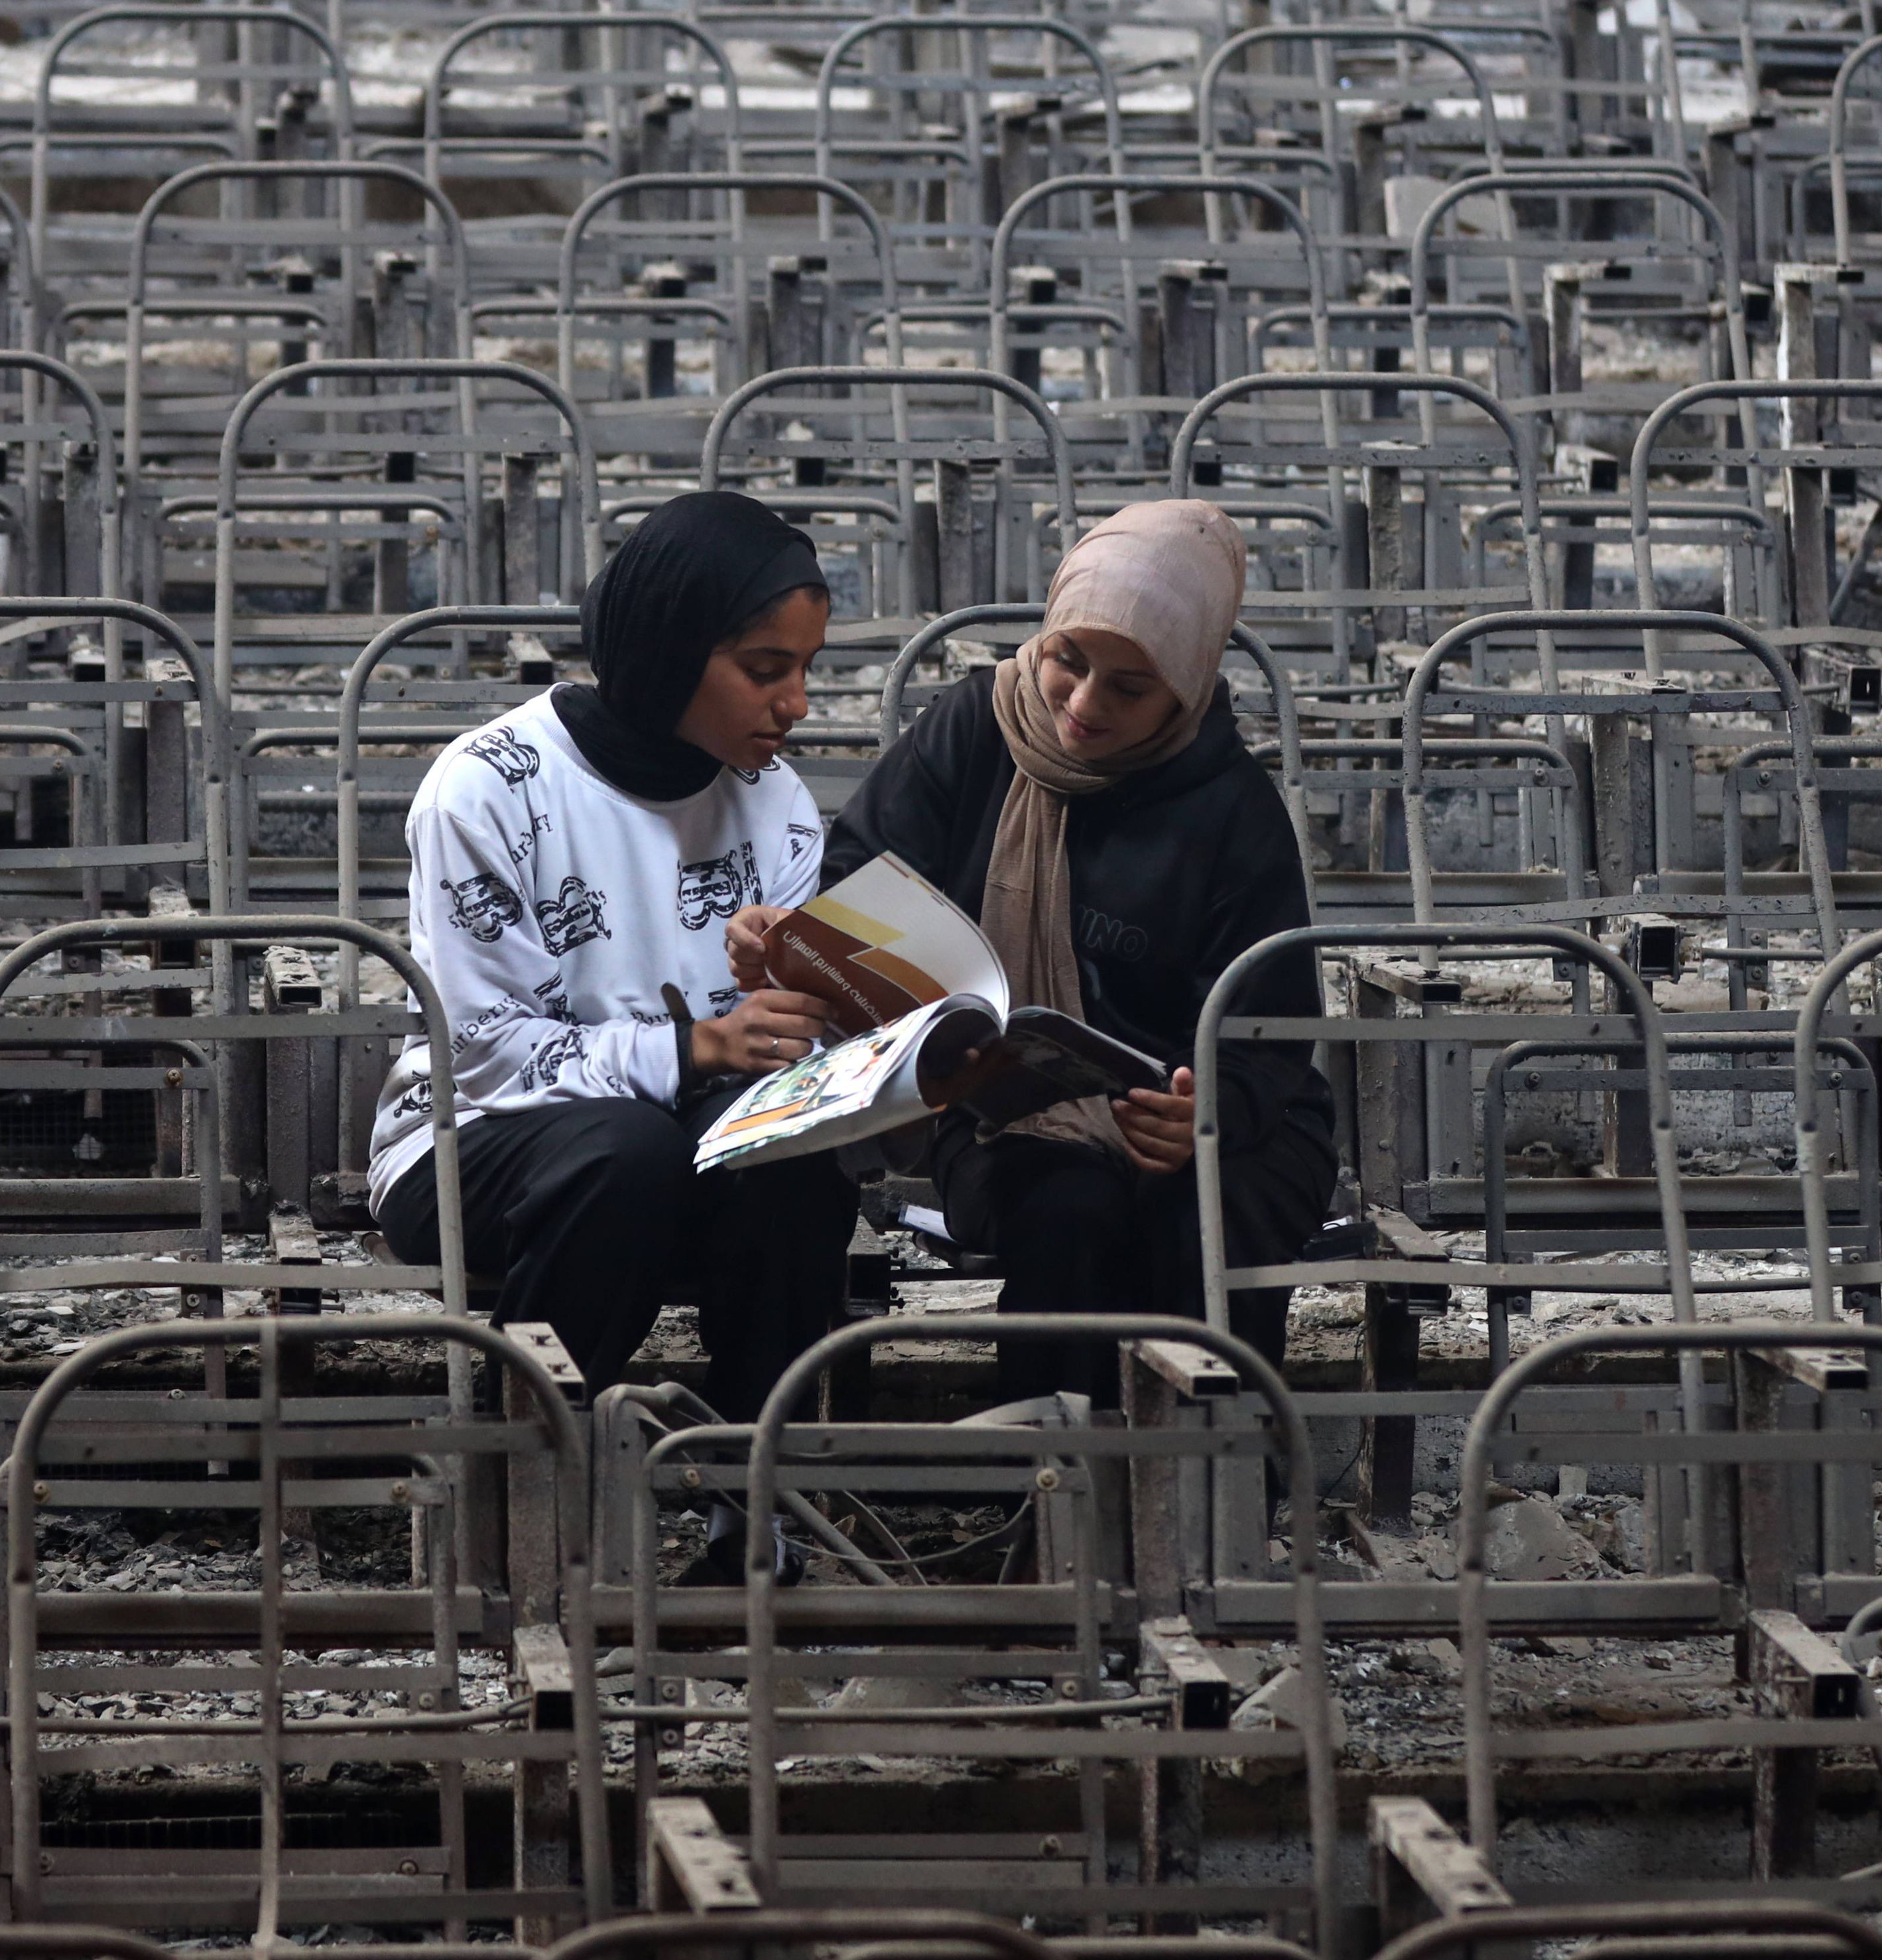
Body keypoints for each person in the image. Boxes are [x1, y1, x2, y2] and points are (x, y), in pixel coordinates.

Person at [753, 498, 1334, 1404]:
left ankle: (1208, 1498)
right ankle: (1059, 1497)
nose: (1083, 704)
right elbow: (861, 884)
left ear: (1183, 685)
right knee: (1063, 1213)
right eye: (1069, 660)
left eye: (1130, 688)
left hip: (1210, 1118)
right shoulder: (973, 731)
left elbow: (1271, 1019)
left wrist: (1202, 1113)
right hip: (994, 1108)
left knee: (1207, 1220)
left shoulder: (1231, 808)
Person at [369, 489, 858, 1440]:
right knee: (629, 1156)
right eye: (765, 670)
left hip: (686, 1135)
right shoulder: (487, 787)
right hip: (473, 1136)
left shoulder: (776, 798)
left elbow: (785, 1056)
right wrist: (700, 1047)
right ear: (670, 649)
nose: (795, 704)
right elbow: (489, 1052)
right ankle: (531, 1478)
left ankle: (750, 1493)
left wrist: (800, 992)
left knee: (793, 1157)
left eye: (805, 669)